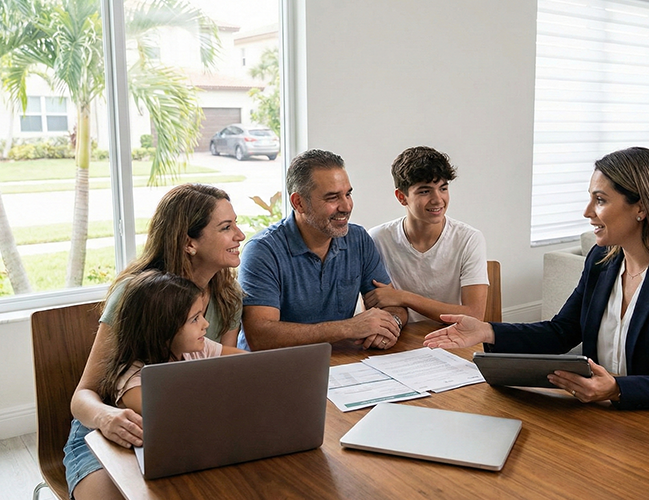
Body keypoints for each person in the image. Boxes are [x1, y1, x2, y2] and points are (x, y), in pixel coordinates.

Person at [424, 147, 649, 410]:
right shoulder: (602, 261)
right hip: (606, 418)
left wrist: (618, 389)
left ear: (641, 207)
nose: (588, 212)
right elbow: (561, 332)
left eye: (600, 200)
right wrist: (487, 331)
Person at [65, 184, 246, 500]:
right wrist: (106, 418)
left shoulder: (228, 297)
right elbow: (83, 395)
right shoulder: (137, 296)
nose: (240, 235)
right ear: (189, 242)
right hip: (108, 429)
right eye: (226, 227)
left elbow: (226, 375)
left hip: (192, 429)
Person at [238, 149, 408, 351]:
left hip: (340, 363)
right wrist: (347, 328)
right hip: (275, 369)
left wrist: (390, 325)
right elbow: (260, 336)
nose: (346, 206)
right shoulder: (262, 251)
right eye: (332, 198)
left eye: (348, 194)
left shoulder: (358, 239)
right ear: (298, 202)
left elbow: (392, 304)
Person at [366, 146, 489, 323]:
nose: (438, 199)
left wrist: (403, 297)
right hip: (402, 340)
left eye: (443, 188)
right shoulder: (378, 238)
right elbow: (376, 302)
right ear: (402, 197)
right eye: (425, 191)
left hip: (453, 337)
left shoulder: (469, 239)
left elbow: (474, 315)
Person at [97, 270, 245, 415]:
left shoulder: (197, 348)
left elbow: (247, 361)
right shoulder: (132, 379)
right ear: (164, 329)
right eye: (195, 319)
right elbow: (172, 415)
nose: (205, 324)